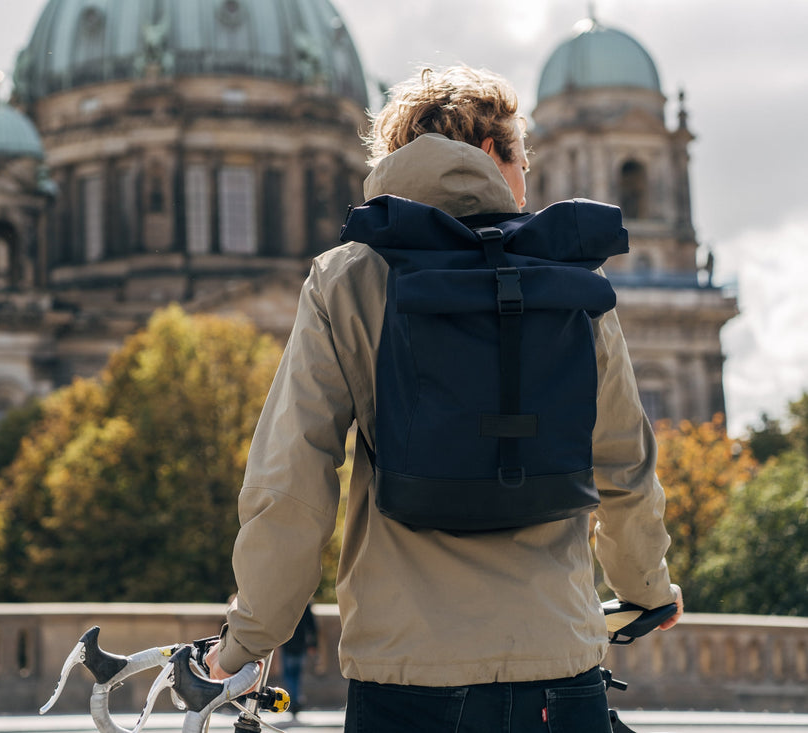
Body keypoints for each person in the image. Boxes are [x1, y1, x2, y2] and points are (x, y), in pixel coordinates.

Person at [206, 65, 683, 732]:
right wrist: (647, 590)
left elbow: (292, 482)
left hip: (406, 674)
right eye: (523, 157)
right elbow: (626, 470)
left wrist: (247, 639)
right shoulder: (570, 280)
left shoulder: (346, 278)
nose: (526, 180)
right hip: (556, 665)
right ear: (492, 154)